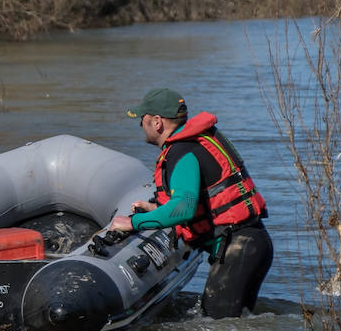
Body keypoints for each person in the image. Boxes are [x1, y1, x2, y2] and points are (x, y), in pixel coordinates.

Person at [108, 88, 273, 318]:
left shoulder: (181, 151)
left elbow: (183, 209)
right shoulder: (195, 142)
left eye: (142, 120)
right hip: (251, 243)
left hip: (239, 248)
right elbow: (200, 202)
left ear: (157, 122)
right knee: (237, 329)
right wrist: (156, 209)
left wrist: (134, 222)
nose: (140, 125)